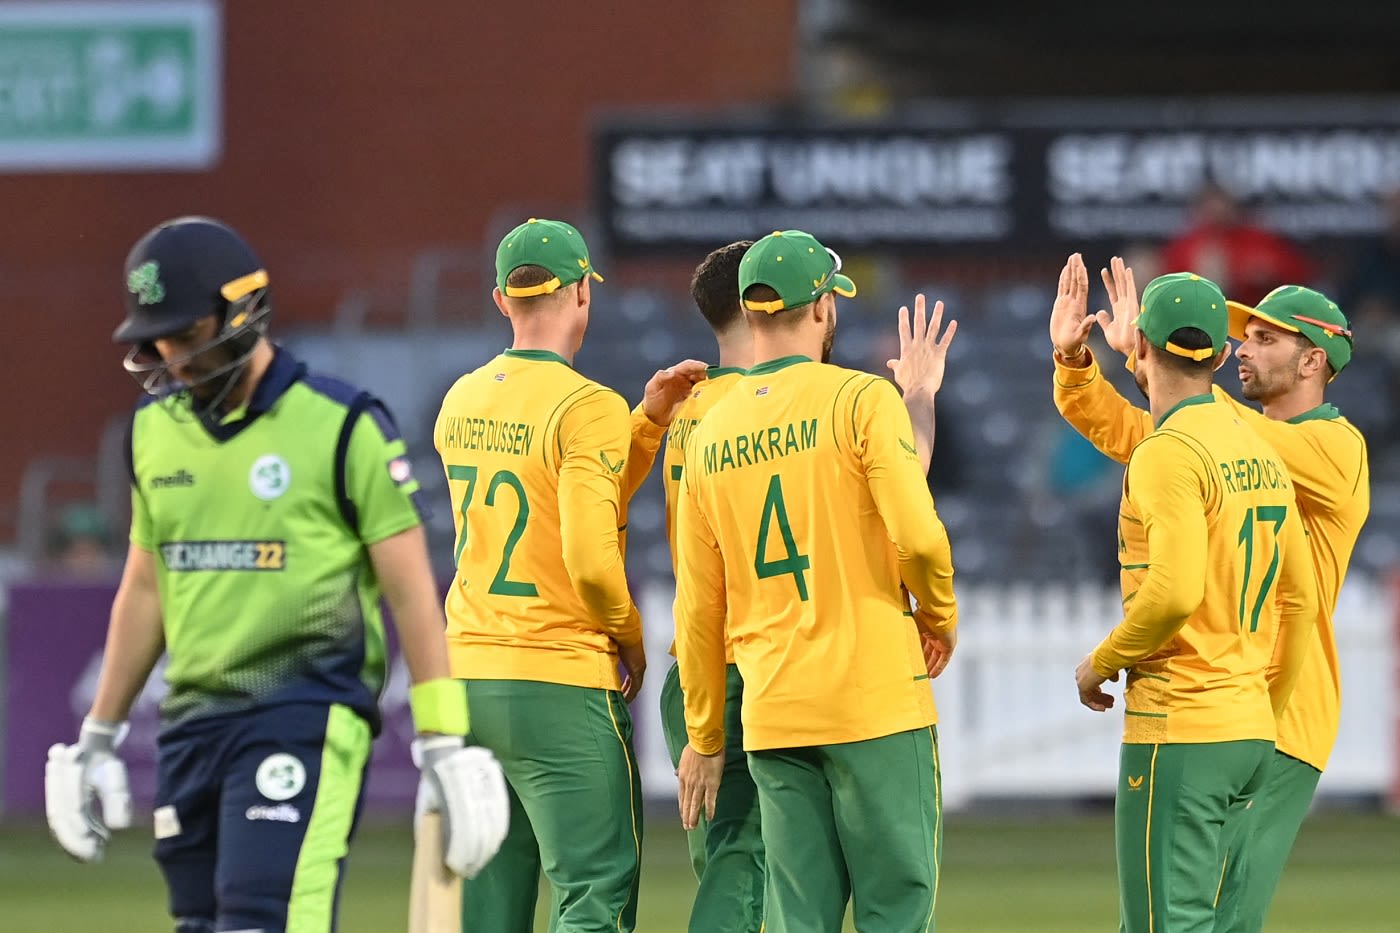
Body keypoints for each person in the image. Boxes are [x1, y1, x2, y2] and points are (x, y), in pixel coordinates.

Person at [43, 216, 509, 933]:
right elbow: (145, 587)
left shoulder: (343, 424)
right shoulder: (152, 430)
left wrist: (443, 738)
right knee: (200, 922)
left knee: (265, 919)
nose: (173, 353)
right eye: (160, 335)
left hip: (306, 713)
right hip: (191, 723)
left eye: (188, 331)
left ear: (244, 310)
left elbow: (413, 586)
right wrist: (97, 733)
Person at [624, 241, 952, 932]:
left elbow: (697, 603)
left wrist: (706, 732)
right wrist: (938, 616)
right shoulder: (862, 398)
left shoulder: (705, 426)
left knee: (789, 907)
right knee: (894, 903)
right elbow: (918, 532)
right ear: (824, 306)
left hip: (767, 698)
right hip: (870, 693)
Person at [1052, 255, 1370, 932]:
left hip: (1283, 707)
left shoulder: (1337, 448)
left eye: (1264, 339)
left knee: (1212, 917)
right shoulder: (1228, 439)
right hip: (1245, 698)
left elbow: (1193, 419)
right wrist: (1080, 366)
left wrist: (1158, 359)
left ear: (1314, 360)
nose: (1244, 351)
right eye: (1239, 338)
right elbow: (1150, 434)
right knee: (1200, 917)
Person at [435, 217, 697, 932]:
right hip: (560, 681)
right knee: (593, 893)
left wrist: (644, 426)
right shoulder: (586, 408)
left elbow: (551, 496)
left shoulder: (460, 399)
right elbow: (587, 554)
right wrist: (632, 637)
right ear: (583, 292)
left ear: (500, 300)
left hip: (470, 675)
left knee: (489, 904)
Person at [1159, 183, 1313, 307]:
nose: (1216, 212)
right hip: (1197, 317)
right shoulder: (1185, 245)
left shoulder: (1257, 239)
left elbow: (1299, 273)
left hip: (1253, 314)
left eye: (1220, 205)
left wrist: (1269, 273)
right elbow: (1168, 284)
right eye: (1209, 207)